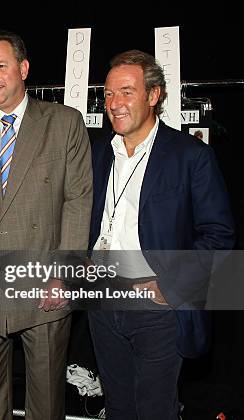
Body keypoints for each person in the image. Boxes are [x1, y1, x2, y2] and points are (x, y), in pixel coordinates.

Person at [0, 30, 93, 420]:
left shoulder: (64, 123)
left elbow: (77, 203)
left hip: (45, 286)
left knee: (46, 405)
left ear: (23, 68)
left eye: (1, 66)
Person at [87, 50, 235, 419]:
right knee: (118, 408)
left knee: (155, 410)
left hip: (156, 308)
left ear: (153, 95)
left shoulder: (190, 156)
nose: (114, 104)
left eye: (125, 92)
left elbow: (219, 234)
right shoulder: (98, 153)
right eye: (108, 94)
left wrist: (171, 284)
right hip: (103, 302)